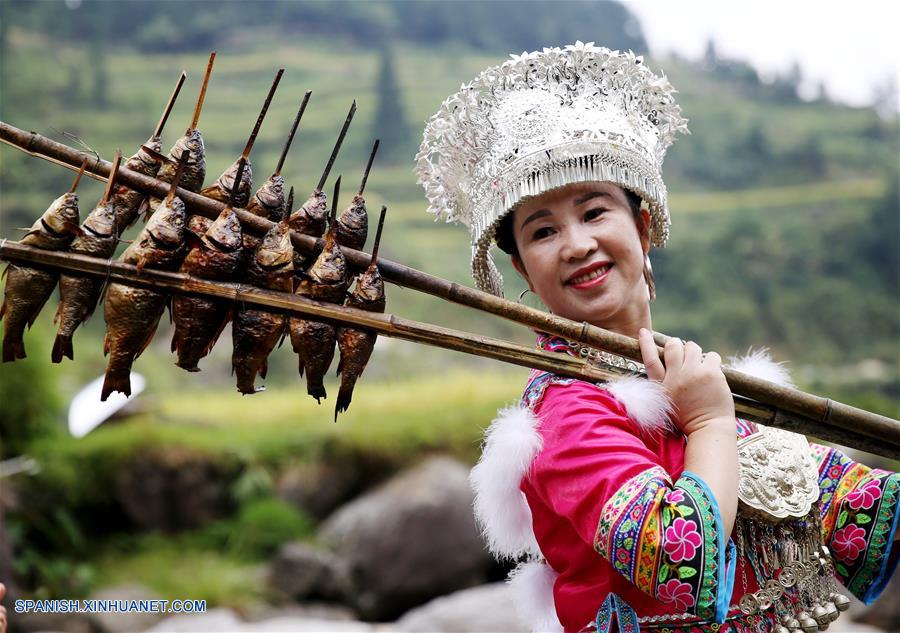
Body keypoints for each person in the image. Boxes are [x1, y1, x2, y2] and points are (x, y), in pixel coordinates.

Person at [416, 42, 899, 632]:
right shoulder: (565, 416)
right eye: (543, 231)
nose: (575, 244)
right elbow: (680, 557)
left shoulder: (681, 375)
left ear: (643, 226)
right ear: (523, 272)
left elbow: (860, 507)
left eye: (594, 212)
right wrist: (711, 425)